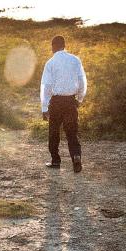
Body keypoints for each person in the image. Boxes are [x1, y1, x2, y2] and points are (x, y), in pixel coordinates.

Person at [40, 35, 87, 172]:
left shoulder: (50, 63)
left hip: (56, 102)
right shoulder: (75, 60)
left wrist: (44, 107)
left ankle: (55, 161)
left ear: (53, 47)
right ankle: (76, 157)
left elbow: (46, 86)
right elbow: (83, 81)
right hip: (70, 101)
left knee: (54, 132)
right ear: (64, 45)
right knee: (72, 132)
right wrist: (79, 99)